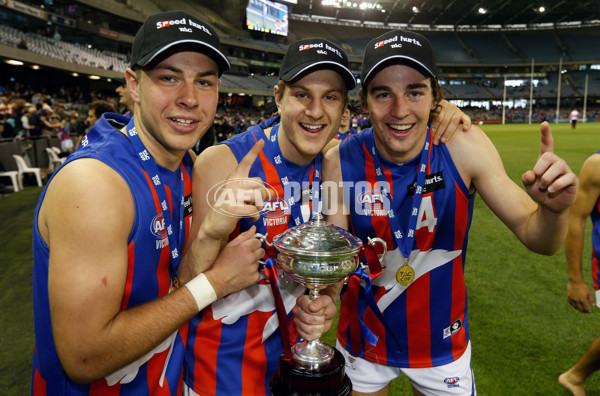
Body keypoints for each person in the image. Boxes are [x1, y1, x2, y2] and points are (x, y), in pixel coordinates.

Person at [183, 37, 471, 396]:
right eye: (302, 94)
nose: (316, 111)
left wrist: (328, 298)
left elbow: (335, 263)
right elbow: (185, 284)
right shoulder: (223, 161)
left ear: (344, 108)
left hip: (302, 366)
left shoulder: (334, 162)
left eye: (330, 97)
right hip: (223, 370)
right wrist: (212, 234)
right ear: (278, 97)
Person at [323, 29, 578, 396]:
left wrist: (554, 211)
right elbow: (336, 260)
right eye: (383, 94)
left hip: (443, 343)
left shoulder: (462, 145)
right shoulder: (340, 160)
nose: (400, 110)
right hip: (362, 342)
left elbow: (537, 237)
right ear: (363, 102)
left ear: (435, 96)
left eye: (415, 91)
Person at [31, 10, 268, 395]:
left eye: (204, 82)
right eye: (169, 78)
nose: (189, 98)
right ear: (134, 85)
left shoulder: (188, 166)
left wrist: (209, 232)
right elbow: (84, 357)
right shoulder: (95, 184)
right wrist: (216, 282)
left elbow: (176, 288)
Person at [558, 151, 600, 396]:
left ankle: (575, 376)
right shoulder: (596, 166)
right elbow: (576, 218)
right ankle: (575, 376)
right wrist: (575, 279)